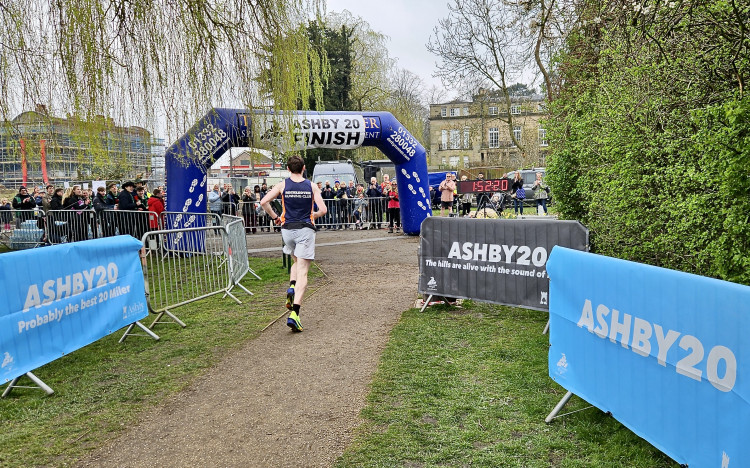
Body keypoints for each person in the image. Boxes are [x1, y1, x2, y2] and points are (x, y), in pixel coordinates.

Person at [260, 155, 327, 333]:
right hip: (305, 229)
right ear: (304, 168)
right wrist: (314, 216)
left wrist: (275, 217)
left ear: (288, 169)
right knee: (304, 270)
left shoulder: (283, 185)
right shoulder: (311, 186)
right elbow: (323, 210)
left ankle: (291, 286)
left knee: (296, 262)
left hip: (287, 229)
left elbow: (263, 202)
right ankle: (295, 314)